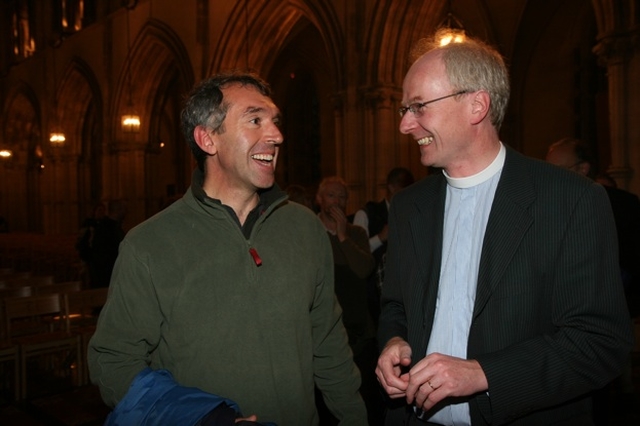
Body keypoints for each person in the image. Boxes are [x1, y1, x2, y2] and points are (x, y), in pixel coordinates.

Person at [375, 29, 633, 426]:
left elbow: (599, 343)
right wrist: (395, 341)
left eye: (419, 107)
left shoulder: (570, 200)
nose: (406, 125)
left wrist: (483, 373)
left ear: (476, 105)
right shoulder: (410, 206)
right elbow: (395, 305)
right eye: (404, 110)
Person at [88, 72, 367, 425]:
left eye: (275, 122)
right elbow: (112, 362)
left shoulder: (304, 228)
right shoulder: (148, 244)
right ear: (207, 139)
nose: (277, 135)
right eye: (254, 120)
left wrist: (356, 417)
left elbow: (327, 339)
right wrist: (207, 418)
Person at [546, 137, 640, 423]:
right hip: (554, 323)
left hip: (607, 315)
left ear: (583, 168)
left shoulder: (621, 205)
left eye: (559, 169)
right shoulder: (546, 203)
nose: (550, 177)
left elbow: (633, 260)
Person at [315, 176, 381, 426]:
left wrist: (343, 236)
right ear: (319, 199)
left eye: (342, 197)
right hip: (325, 331)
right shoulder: (311, 230)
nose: (338, 201)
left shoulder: (356, 232)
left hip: (359, 332)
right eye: (331, 195)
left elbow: (364, 269)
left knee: (363, 401)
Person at [353, 167, 414, 327]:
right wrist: (380, 238)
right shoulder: (366, 213)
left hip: (401, 293)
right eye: (403, 188)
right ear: (392, 187)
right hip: (370, 293)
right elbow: (356, 253)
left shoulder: (410, 213)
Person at [86, 199, 126, 288]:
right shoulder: (108, 229)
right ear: (119, 210)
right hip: (107, 276)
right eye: (124, 209)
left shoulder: (106, 227)